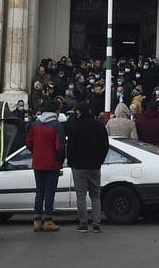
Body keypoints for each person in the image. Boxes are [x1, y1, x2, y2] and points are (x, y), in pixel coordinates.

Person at [65, 101, 109, 233]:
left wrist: (71, 161)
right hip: (95, 165)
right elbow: (105, 145)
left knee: (81, 195)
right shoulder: (99, 125)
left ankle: (83, 223)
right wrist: (100, 160)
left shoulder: (74, 126)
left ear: (78, 112)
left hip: (79, 166)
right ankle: (96, 223)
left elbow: (70, 146)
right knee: (95, 195)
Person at [26, 100, 65, 232]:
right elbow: (59, 146)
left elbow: (29, 143)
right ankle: (48, 220)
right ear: (55, 111)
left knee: (39, 192)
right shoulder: (57, 125)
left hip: (37, 162)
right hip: (52, 163)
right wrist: (60, 160)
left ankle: (37, 220)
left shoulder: (35, 124)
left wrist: (36, 152)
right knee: (49, 193)